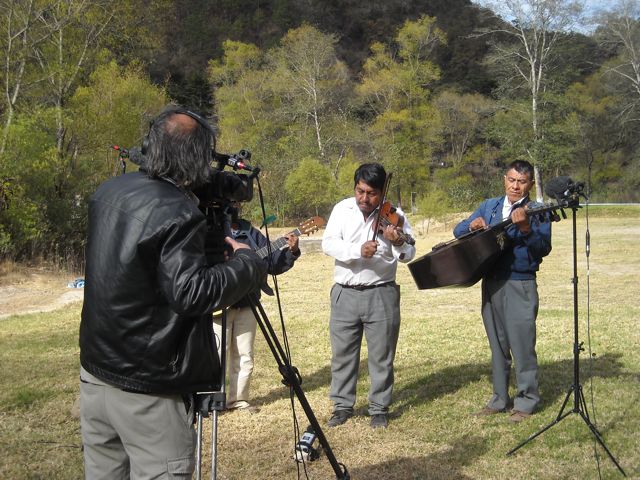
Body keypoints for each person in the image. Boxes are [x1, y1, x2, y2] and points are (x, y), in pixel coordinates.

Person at [79, 105, 267, 479]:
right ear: (197, 158)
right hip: (149, 389)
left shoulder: (109, 190)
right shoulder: (177, 212)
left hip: (96, 374)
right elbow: (192, 293)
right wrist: (247, 263)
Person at [453, 159, 552, 423]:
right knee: (497, 346)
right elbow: (458, 230)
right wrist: (471, 226)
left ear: (530, 184)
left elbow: (543, 248)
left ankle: (526, 401)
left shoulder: (537, 209)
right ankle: (499, 399)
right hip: (491, 282)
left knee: (522, 345)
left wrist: (525, 228)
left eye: (521, 181)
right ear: (504, 180)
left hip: (520, 283)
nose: (515, 186)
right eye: (511, 180)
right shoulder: (491, 206)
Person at [321, 162, 416, 429]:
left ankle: (379, 408)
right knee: (342, 354)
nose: (364, 198)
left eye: (371, 193)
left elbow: (410, 253)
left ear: (382, 192)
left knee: (382, 355)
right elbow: (328, 243)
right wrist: (356, 250)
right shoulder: (342, 209)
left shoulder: (395, 215)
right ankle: (342, 406)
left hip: (381, 293)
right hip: (345, 293)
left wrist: (396, 240)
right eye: (360, 191)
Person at [213, 203, 300, 413]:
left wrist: (292, 250)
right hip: (219, 302)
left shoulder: (250, 233)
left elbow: (273, 264)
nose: (233, 205)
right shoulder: (212, 230)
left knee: (245, 355)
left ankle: (238, 400)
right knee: (216, 354)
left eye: (236, 201)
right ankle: (212, 402)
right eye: (230, 200)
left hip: (247, 302)